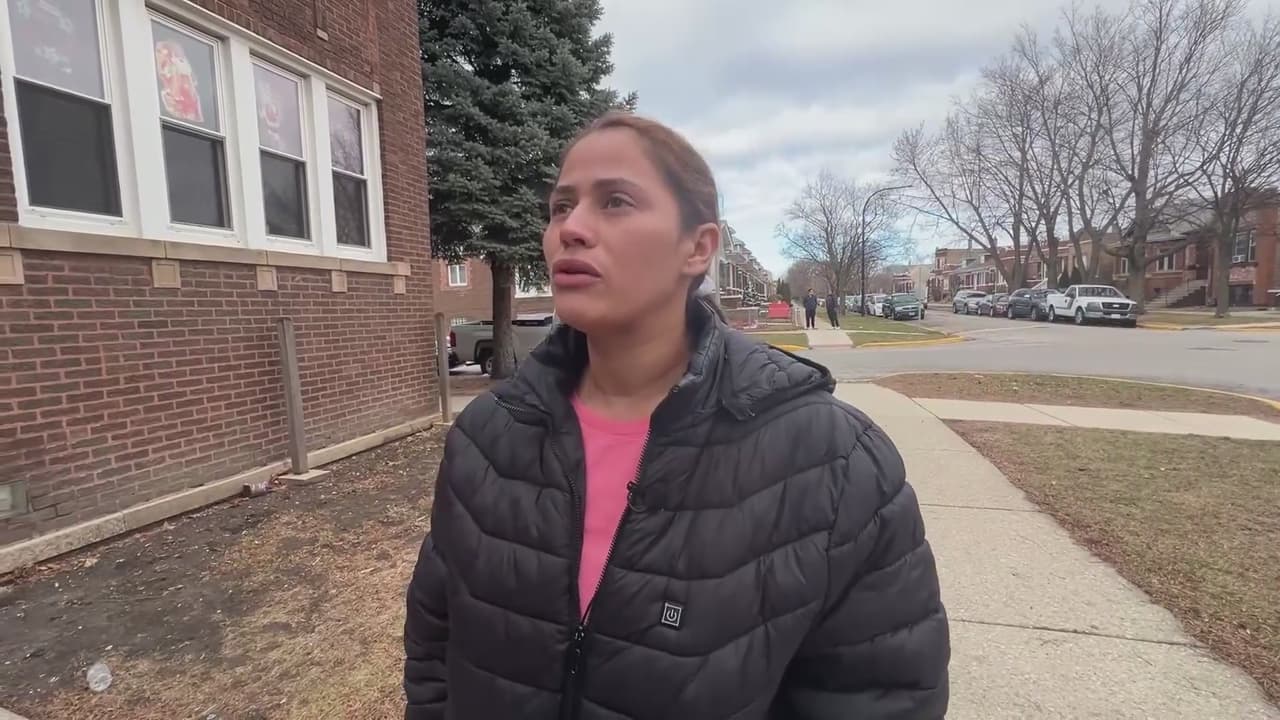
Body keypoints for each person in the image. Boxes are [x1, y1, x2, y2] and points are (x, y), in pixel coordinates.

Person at [403, 111, 949, 720]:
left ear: (699, 247)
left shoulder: (835, 464)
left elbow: (883, 696)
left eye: (614, 201)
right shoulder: (485, 440)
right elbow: (434, 653)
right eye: (561, 207)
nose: (570, 229)